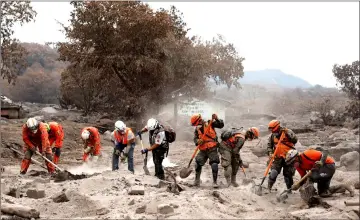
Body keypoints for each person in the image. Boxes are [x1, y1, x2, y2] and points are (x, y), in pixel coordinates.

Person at [285, 147, 354, 197]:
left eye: (293, 162)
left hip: (328, 166)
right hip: (320, 172)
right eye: (291, 163)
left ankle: (311, 194)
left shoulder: (307, 154)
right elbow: (304, 178)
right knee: (323, 193)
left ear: (297, 157)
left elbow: (325, 152)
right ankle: (344, 186)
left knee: (312, 177)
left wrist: (321, 162)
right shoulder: (298, 166)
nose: (292, 164)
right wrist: (297, 185)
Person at [190, 113, 224, 188]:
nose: (196, 125)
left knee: (214, 163)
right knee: (198, 162)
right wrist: (198, 141)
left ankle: (215, 182)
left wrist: (217, 118)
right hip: (202, 149)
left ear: (199, 120)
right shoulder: (197, 129)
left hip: (212, 147)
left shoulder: (210, 123)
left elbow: (221, 125)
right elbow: (195, 138)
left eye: (197, 123)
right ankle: (197, 181)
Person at [267, 120, 298, 191]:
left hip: (289, 158)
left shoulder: (287, 132)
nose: (272, 131)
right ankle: (269, 188)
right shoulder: (272, 135)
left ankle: (289, 190)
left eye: (272, 129)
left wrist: (288, 134)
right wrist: (270, 152)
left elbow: (295, 140)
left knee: (288, 175)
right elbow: (269, 146)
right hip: (277, 157)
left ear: (277, 127)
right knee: (273, 173)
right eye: (270, 129)